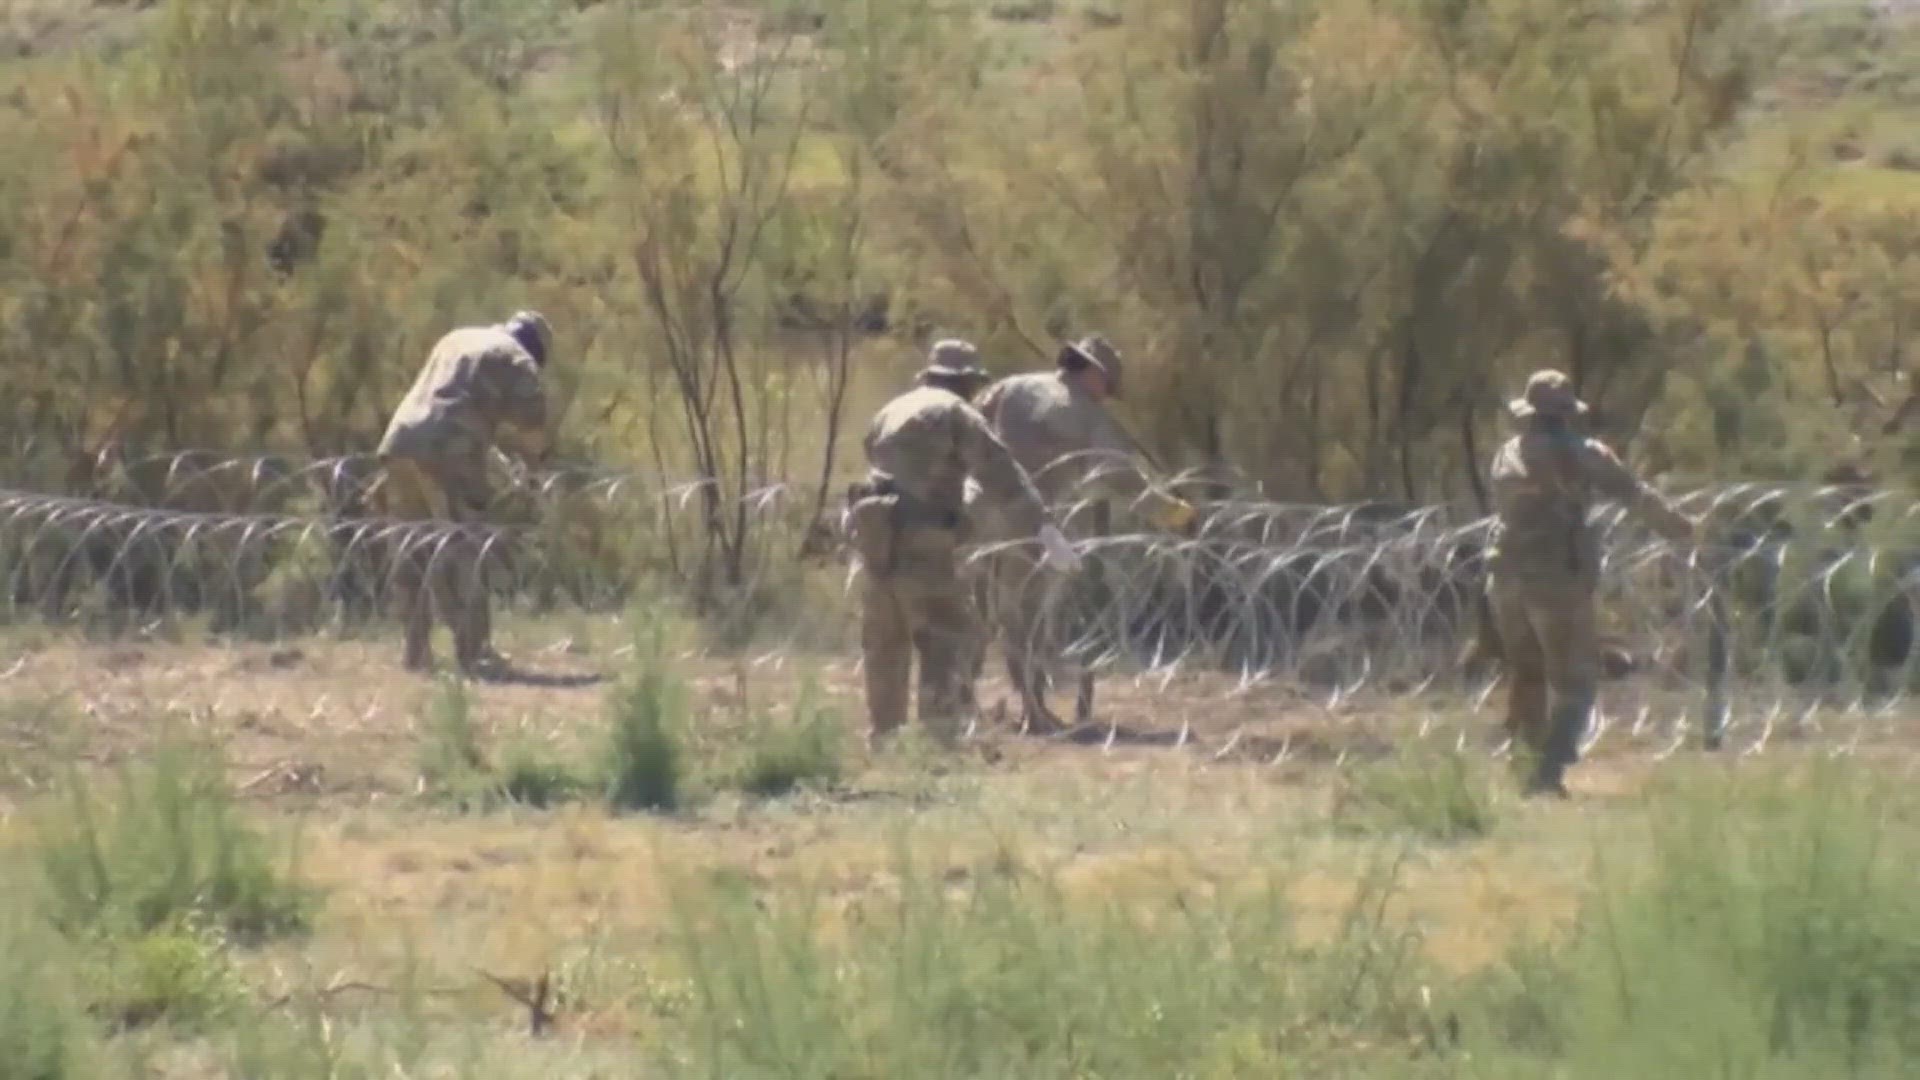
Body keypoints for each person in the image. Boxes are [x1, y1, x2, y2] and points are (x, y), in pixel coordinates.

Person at [844, 339, 1080, 750]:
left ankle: (885, 739)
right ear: (966, 382)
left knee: (885, 642)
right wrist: (1043, 527)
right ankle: (939, 741)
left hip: (874, 536)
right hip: (924, 538)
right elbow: (1000, 471)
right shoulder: (955, 413)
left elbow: (871, 453)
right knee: (949, 638)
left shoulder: (891, 409)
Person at [964, 334, 1197, 733]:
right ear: (1092, 372)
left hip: (975, 508)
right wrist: (1173, 514)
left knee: (977, 610)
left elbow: (967, 423)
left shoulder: (1013, 386)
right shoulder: (1086, 414)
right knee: (1026, 615)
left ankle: (961, 705)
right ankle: (1032, 713)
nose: (1107, 396)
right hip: (1028, 519)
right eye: (1107, 386)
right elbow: (1121, 478)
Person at [1486, 369, 1697, 797]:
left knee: (1527, 674)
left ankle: (1523, 766)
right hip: (1556, 578)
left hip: (1505, 576)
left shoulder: (1507, 454)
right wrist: (1683, 528)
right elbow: (1635, 495)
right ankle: (1548, 771)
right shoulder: (1581, 453)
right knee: (1575, 682)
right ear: (1566, 413)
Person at [375, 310, 553, 676]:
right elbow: (534, 429)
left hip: (401, 440)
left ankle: (416, 651)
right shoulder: (517, 358)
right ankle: (475, 653)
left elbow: (448, 394)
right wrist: (534, 474)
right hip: (449, 449)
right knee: (465, 546)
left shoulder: (457, 337)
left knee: (412, 547)